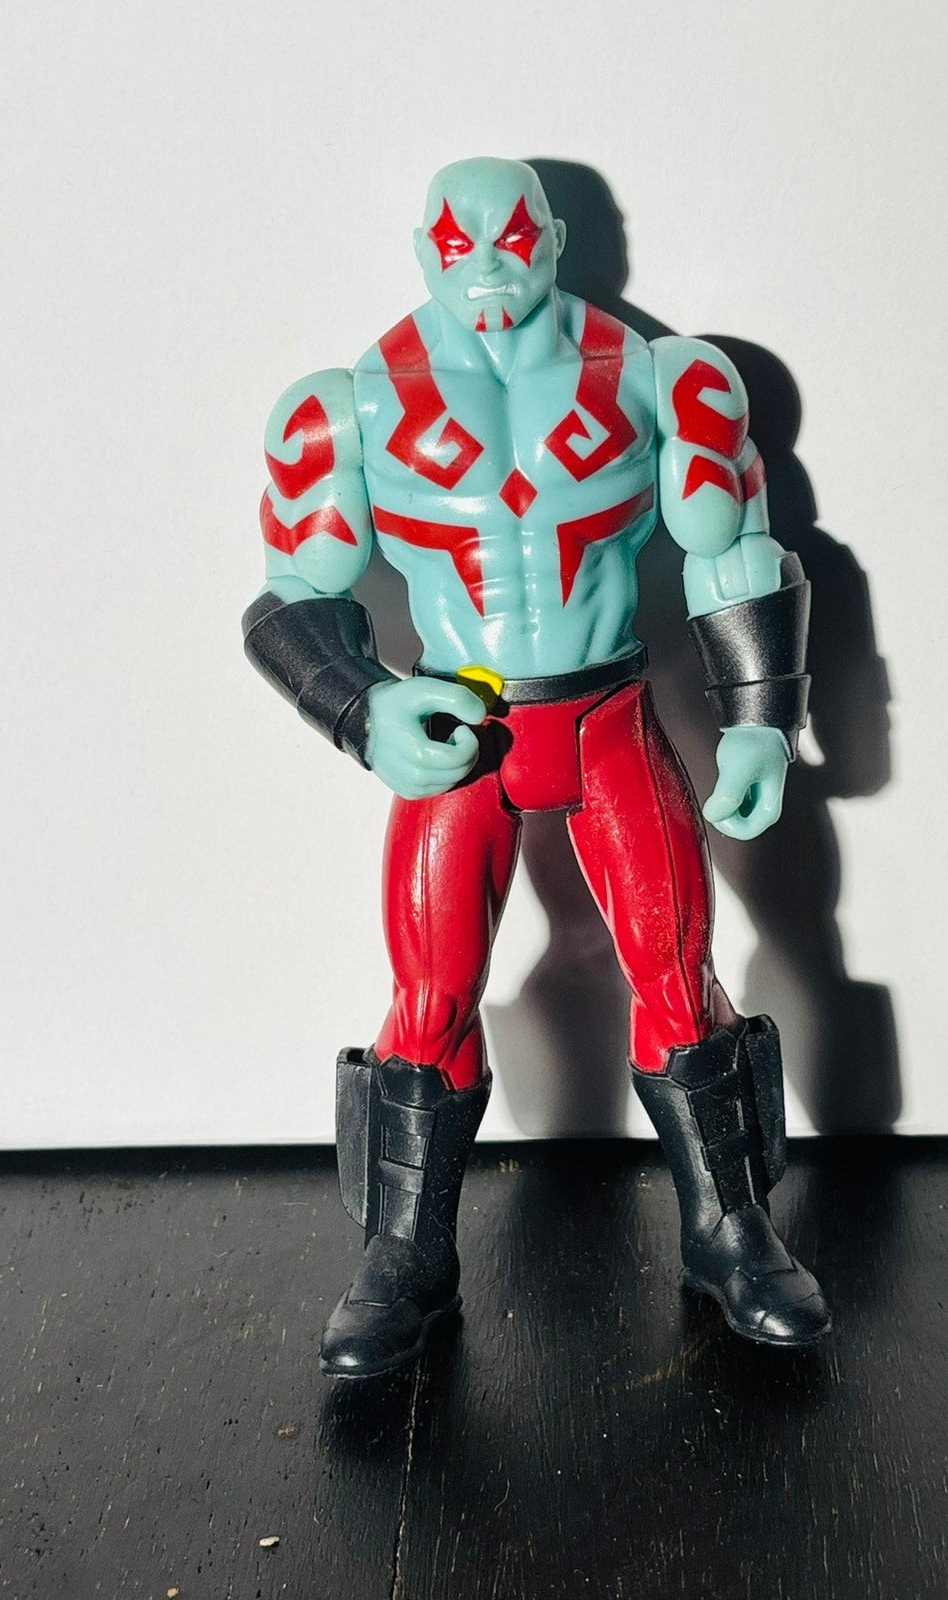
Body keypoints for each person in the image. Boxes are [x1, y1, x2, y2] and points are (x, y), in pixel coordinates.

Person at [244, 157, 829, 1379]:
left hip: (607, 712)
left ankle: (731, 1231)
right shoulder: (350, 408)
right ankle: (403, 1255)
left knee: (678, 971)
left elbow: (734, 547)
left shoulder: (663, 379)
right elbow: (293, 593)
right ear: (421, 250)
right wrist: (364, 709)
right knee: (428, 992)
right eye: (456, 243)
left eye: (511, 237)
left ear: (555, 238)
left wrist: (761, 722)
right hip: (460, 726)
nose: (485, 265)